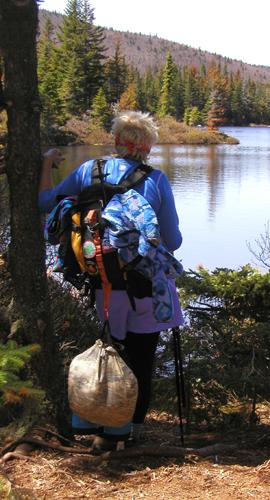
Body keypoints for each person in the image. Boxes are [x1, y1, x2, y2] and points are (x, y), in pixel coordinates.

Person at [39, 111, 184, 451]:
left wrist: (46, 164)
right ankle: (128, 432)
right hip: (147, 287)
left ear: (117, 140)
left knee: (112, 354)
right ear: (147, 147)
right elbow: (173, 241)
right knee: (141, 360)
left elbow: (45, 204)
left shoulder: (88, 170)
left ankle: (102, 427)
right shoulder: (156, 179)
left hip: (104, 284)